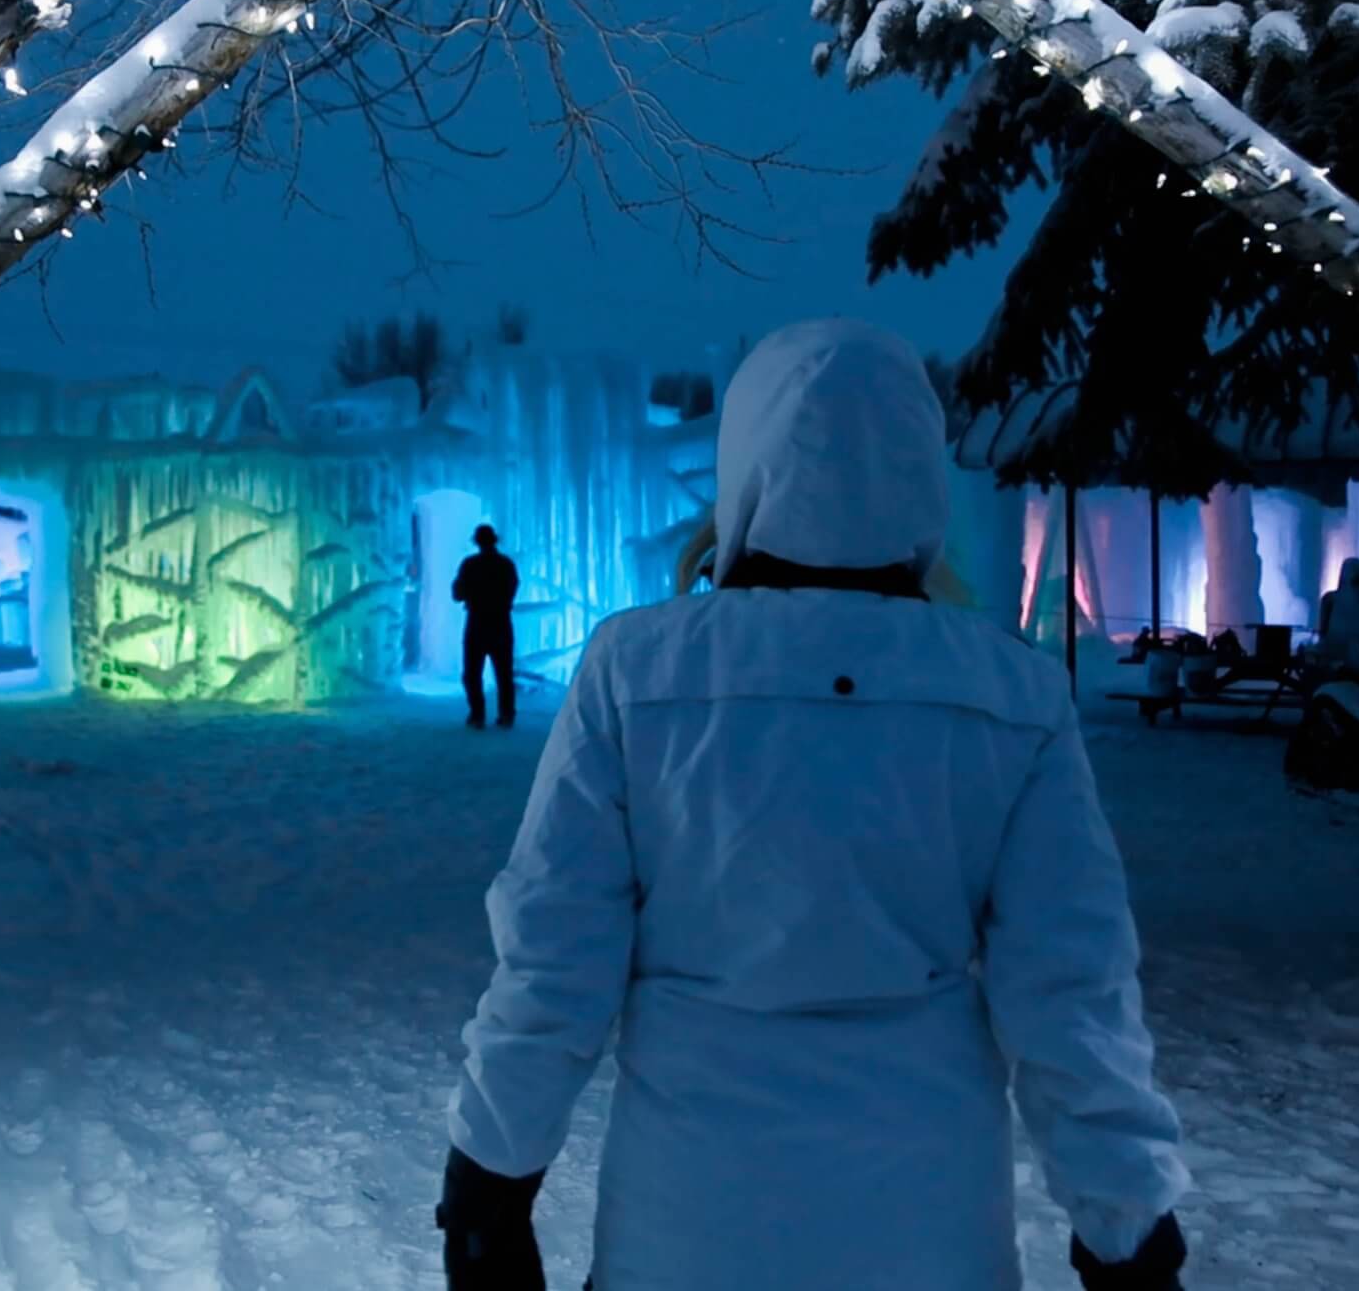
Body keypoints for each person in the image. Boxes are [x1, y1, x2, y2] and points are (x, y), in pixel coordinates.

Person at [434, 320, 1191, 1290]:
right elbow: (1070, 987)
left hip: (688, 1231)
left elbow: (554, 955)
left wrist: (490, 1183)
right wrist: (1123, 1223)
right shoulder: (1010, 692)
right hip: (931, 1232)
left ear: (744, 464)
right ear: (921, 474)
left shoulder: (636, 670)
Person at [454, 524, 520, 729]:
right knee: (504, 673)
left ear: (477, 542)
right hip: (501, 622)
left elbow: (457, 593)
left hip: (477, 623)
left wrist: (473, 593)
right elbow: (513, 587)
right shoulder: (506, 564)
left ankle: (477, 714)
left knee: (472, 673)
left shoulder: (470, 564)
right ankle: (506, 715)